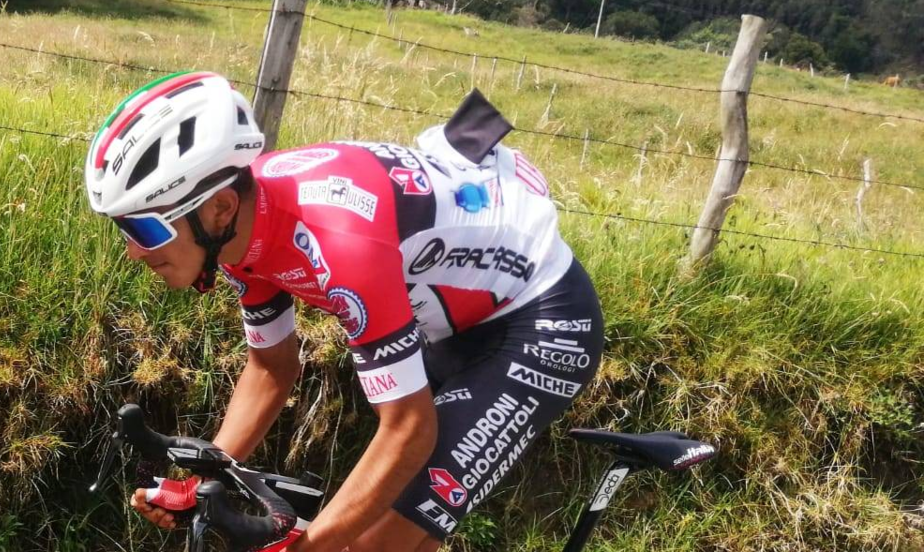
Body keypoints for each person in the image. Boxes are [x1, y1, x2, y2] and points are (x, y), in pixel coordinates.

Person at [84, 71, 605, 552]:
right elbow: (271, 369)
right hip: (455, 322)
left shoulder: (340, 245)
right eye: (123, 229)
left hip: (543, 322)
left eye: (144, 228)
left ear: (219, 207)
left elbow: (408, 430)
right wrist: (199, 481)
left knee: (371, 542)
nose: (133, 251)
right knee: (387, 527)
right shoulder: (241, 230)